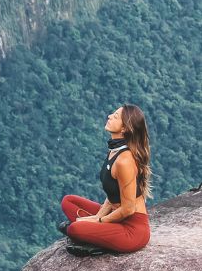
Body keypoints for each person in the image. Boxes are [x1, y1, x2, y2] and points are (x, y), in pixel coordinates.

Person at [59, 103, 152, 255]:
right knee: (68, 201)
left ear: (124, 129)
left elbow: (128, 209)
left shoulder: (124, 161)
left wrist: (99, 221)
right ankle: (96, 235)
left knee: (74, 228)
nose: (109, 116)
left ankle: (97, 240)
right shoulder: (114, 151)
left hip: (132, 230)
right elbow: (112, 196)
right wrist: (97, 216)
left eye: (115, 116)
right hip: (117, 216)